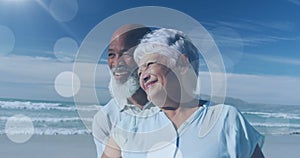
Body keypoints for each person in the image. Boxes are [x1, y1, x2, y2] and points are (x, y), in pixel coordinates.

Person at [103, 28, 265, 157]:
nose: (142, 73)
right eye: (139, 70)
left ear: (182, 63)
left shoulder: (226, 119)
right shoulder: (129, 125)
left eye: (149, 64)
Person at [92, 24, 156, 158]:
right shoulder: (105, 119)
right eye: (111, 55)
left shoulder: (176, 106)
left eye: (126, 53)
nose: (117, 62)